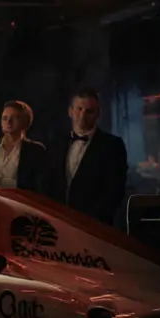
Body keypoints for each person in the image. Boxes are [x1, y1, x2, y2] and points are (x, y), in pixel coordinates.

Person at [48, 87, 129, 226]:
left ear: (98, 114)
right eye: (79, 109)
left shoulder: (112, 145)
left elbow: (115, 190)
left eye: (89, 111)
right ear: (70, 112)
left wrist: (90, 221)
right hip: (57, 224)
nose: (83, 115)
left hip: (95, 228)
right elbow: (49, 184)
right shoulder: (57, 143)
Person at [0, 100, 50, 192]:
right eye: (5, 118)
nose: (8, 121)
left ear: (25, 122)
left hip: (21, 204)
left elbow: (41, 187)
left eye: (15, 117)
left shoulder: (36, 151)